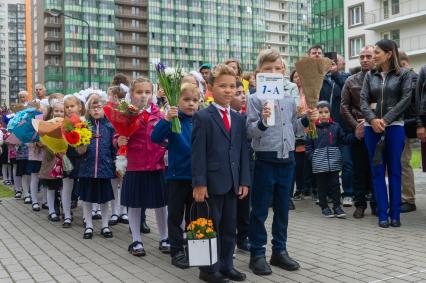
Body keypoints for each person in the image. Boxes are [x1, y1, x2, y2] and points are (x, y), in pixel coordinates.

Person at [246, 49, 318, 276]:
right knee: (259, 211)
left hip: (287, 160)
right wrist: (264, 122)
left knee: (282, 209)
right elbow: (250, 132)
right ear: (259, 74)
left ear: (284, 72)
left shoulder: (289, 97)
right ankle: (257, 253)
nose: (274, 73)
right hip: (265, 160)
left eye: (278, 69)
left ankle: (279, 250)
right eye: (268, 70)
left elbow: (295, 128)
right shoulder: (254, 98)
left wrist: (306, 119)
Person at [192, 64, 250, 283]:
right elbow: (198, 153)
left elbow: (243, 150)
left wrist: (244, 179)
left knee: (229, 227)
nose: (228, 90)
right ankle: (208, 269)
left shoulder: (238, 118)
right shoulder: (203, 117)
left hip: (233, 183)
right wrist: (199, 183)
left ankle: (226, 265)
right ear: (210, 87)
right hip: (210, 184)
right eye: (222, 86)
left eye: (232, 86)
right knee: (208, 226)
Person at [360, 39, 413, 228]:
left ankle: (395, 214)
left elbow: (406, 99)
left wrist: (386, 119)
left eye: (376, 52)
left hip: (395, 127)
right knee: (377, 171)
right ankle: (382, 215)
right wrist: (373, 120)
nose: (373, 56)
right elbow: (363, 100)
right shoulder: (369, 75)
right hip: (371, 127)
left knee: (395, 171)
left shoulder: (405, 74)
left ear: (389, 54)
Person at [151, 83, 200, 269]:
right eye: (186, 100)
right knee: (175, 216)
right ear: (177, 101)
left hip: (197, 179)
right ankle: (177, 250)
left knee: (194, 217)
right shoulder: (174, 119)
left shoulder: (200, 120)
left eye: (195, 100)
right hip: (176, 177)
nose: (191, 104)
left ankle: (195, 249)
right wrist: (166, 119)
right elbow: (155, 138)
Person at [119, 77, 169, 256]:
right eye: (139, 92)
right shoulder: (126, 114)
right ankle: (136, 240)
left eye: (148, 92)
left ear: (153, 94)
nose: (143, 95)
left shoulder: (160, 114)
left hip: (157, 165)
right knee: (134, 203)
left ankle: (164, 237)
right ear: (131, 94)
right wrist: (119, 140)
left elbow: (167, 136)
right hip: (135, 165)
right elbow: (117, 135)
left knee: (161, 203)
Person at [308, 45, 353, 207]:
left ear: (341, 64)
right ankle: (325, 194)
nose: (332, 64)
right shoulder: (315, 77)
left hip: (340, 127)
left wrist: (334, 73)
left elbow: (347, 91)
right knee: (324, 163)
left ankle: (348, 192)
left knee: (347, 162)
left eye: (336, 62)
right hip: (322, 128)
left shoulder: (345, 77)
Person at [341, 45, 378, 218]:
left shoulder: (383, 78)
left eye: (368, 56)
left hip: (378, 129)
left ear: (375, 57)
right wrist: (356, 126)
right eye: (362, 56)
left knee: (377, 168)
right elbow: (344, 106)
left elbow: (388, 102)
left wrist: (373, 119)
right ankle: (360, 204)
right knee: (358, 170)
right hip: (359, 132)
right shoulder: (351, 80)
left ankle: (377, 204)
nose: (364, 59)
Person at [78, 94, 116, 239]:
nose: (96, 110)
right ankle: (88, 225)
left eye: (99, 107)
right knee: (87, 198)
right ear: (88, 109)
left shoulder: (110, 126)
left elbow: (114, 148)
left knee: (105, 199)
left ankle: (105, 225)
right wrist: (80, 146)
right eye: (93, 107)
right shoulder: (83, 126)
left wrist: (116, 164)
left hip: (104, 169)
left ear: (105, 109)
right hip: (87, 168)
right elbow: (79, 147)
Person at [306, 101, 353, 218]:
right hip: (319, 163)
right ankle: (324, 207)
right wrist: (313, 157)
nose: (323, 115)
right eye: (320, 112)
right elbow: (309, 146)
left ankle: (337, 206)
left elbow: (344, 139)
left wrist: (355, 135)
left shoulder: (336, 126)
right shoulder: (312, 128)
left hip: (333, 162)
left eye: (326, 112)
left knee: (335, 185)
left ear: (330, 113)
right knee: (322, 186)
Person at [230, 81, 250, 252]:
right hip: (229, 169)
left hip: (244, 166)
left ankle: (243, 238)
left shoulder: (247, 116)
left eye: (243, 92)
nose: (242, 96)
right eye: (238, 93)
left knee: (244, 206)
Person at [290, 70, 315, 200]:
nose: (298, 79)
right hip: (296, 129)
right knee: (298, 161)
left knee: (308, 159)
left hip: (309, 127)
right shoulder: (290, 92)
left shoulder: (310, 91)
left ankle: (308, 187)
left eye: (300, 76)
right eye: (295, 76)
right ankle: (299, 188)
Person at [39, 99, 64, 222]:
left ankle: (64, 209)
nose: (59, 113)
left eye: (61, 111)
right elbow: (40, 141)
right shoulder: (47, 124)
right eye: (56, 110)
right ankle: (52, 211)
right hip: (50, 160)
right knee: (51, 186)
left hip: (64, 160)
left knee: (64, 187)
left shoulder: (68, 125)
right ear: (52, 112)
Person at [62, 94, 85, 228]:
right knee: (67, 187)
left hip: (82, 157)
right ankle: (67, 216)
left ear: (80, 107)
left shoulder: (84, 122)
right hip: (67, 156)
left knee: (83, 186)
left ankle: (86, 216)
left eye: (72, 106)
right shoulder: (63, 123)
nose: (69, 109)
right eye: (67, 107)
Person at [399, 51, 417, 213]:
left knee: (404, 161)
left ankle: (409, 199)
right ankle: (404, 197)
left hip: (407, 125)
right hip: (403, 125)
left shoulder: (412, 78)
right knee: (401, 161)